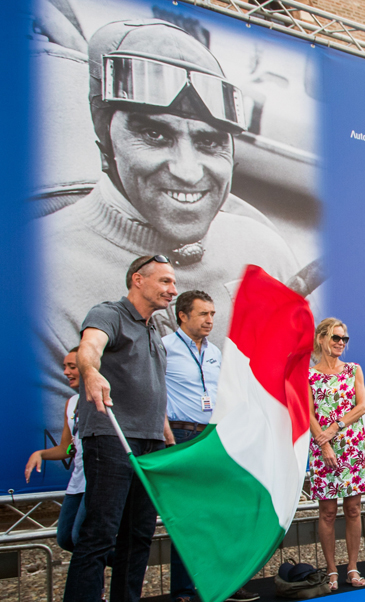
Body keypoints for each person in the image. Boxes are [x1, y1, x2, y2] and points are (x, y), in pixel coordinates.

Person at [37, 18, 300, 426]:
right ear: (106, 143)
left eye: (209, 141)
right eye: (155, 135)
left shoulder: (263, 249)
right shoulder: (38, 278)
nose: (189, 172)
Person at [57, 254, 184, 602]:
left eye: (173, 283)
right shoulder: (108, 314)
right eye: (165, 281)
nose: (171, 289)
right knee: (99, 535)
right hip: (111, 437)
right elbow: (89, 348)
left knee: (138, 535)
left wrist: (163, 429)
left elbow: (152, 386)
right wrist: (90, 372)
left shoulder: (156, 327)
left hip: (148, 440)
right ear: (138, 280)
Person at [162, 290, 259, 602]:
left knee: (222, 514)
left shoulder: (216, 352)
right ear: (182, 316)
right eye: (203, 314)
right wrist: (166, 436)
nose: (209, 320)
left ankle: (225, 585)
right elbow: (153, 393)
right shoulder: (164, 348)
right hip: (181, 436)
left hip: (214, 438)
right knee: (188, 518)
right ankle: (182, 595)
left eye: (213, 314)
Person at [308, 318, 365, 591]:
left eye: (344, 339)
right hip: (324, 448)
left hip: (352, 445)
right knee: (328, 511)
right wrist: (324, 444)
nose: (340, 343)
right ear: (321, 338)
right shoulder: (308, 375)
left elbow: (361, 406)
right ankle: (332, 570)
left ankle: (353, 568)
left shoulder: (353, 369)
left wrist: (335, 427)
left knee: (354, 509)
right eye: (335, 337)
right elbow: (307, 414)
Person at [26, 347, 88, 552]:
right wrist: (40, 454)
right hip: (77, 482)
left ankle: (127, 568)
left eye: (72, 367)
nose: (66, 372)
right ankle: (127, 565)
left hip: (98, 481)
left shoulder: (104, 398)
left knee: (82, 537)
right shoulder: (71, 403)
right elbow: (67, 448)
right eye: (64, 367)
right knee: (65, 539)